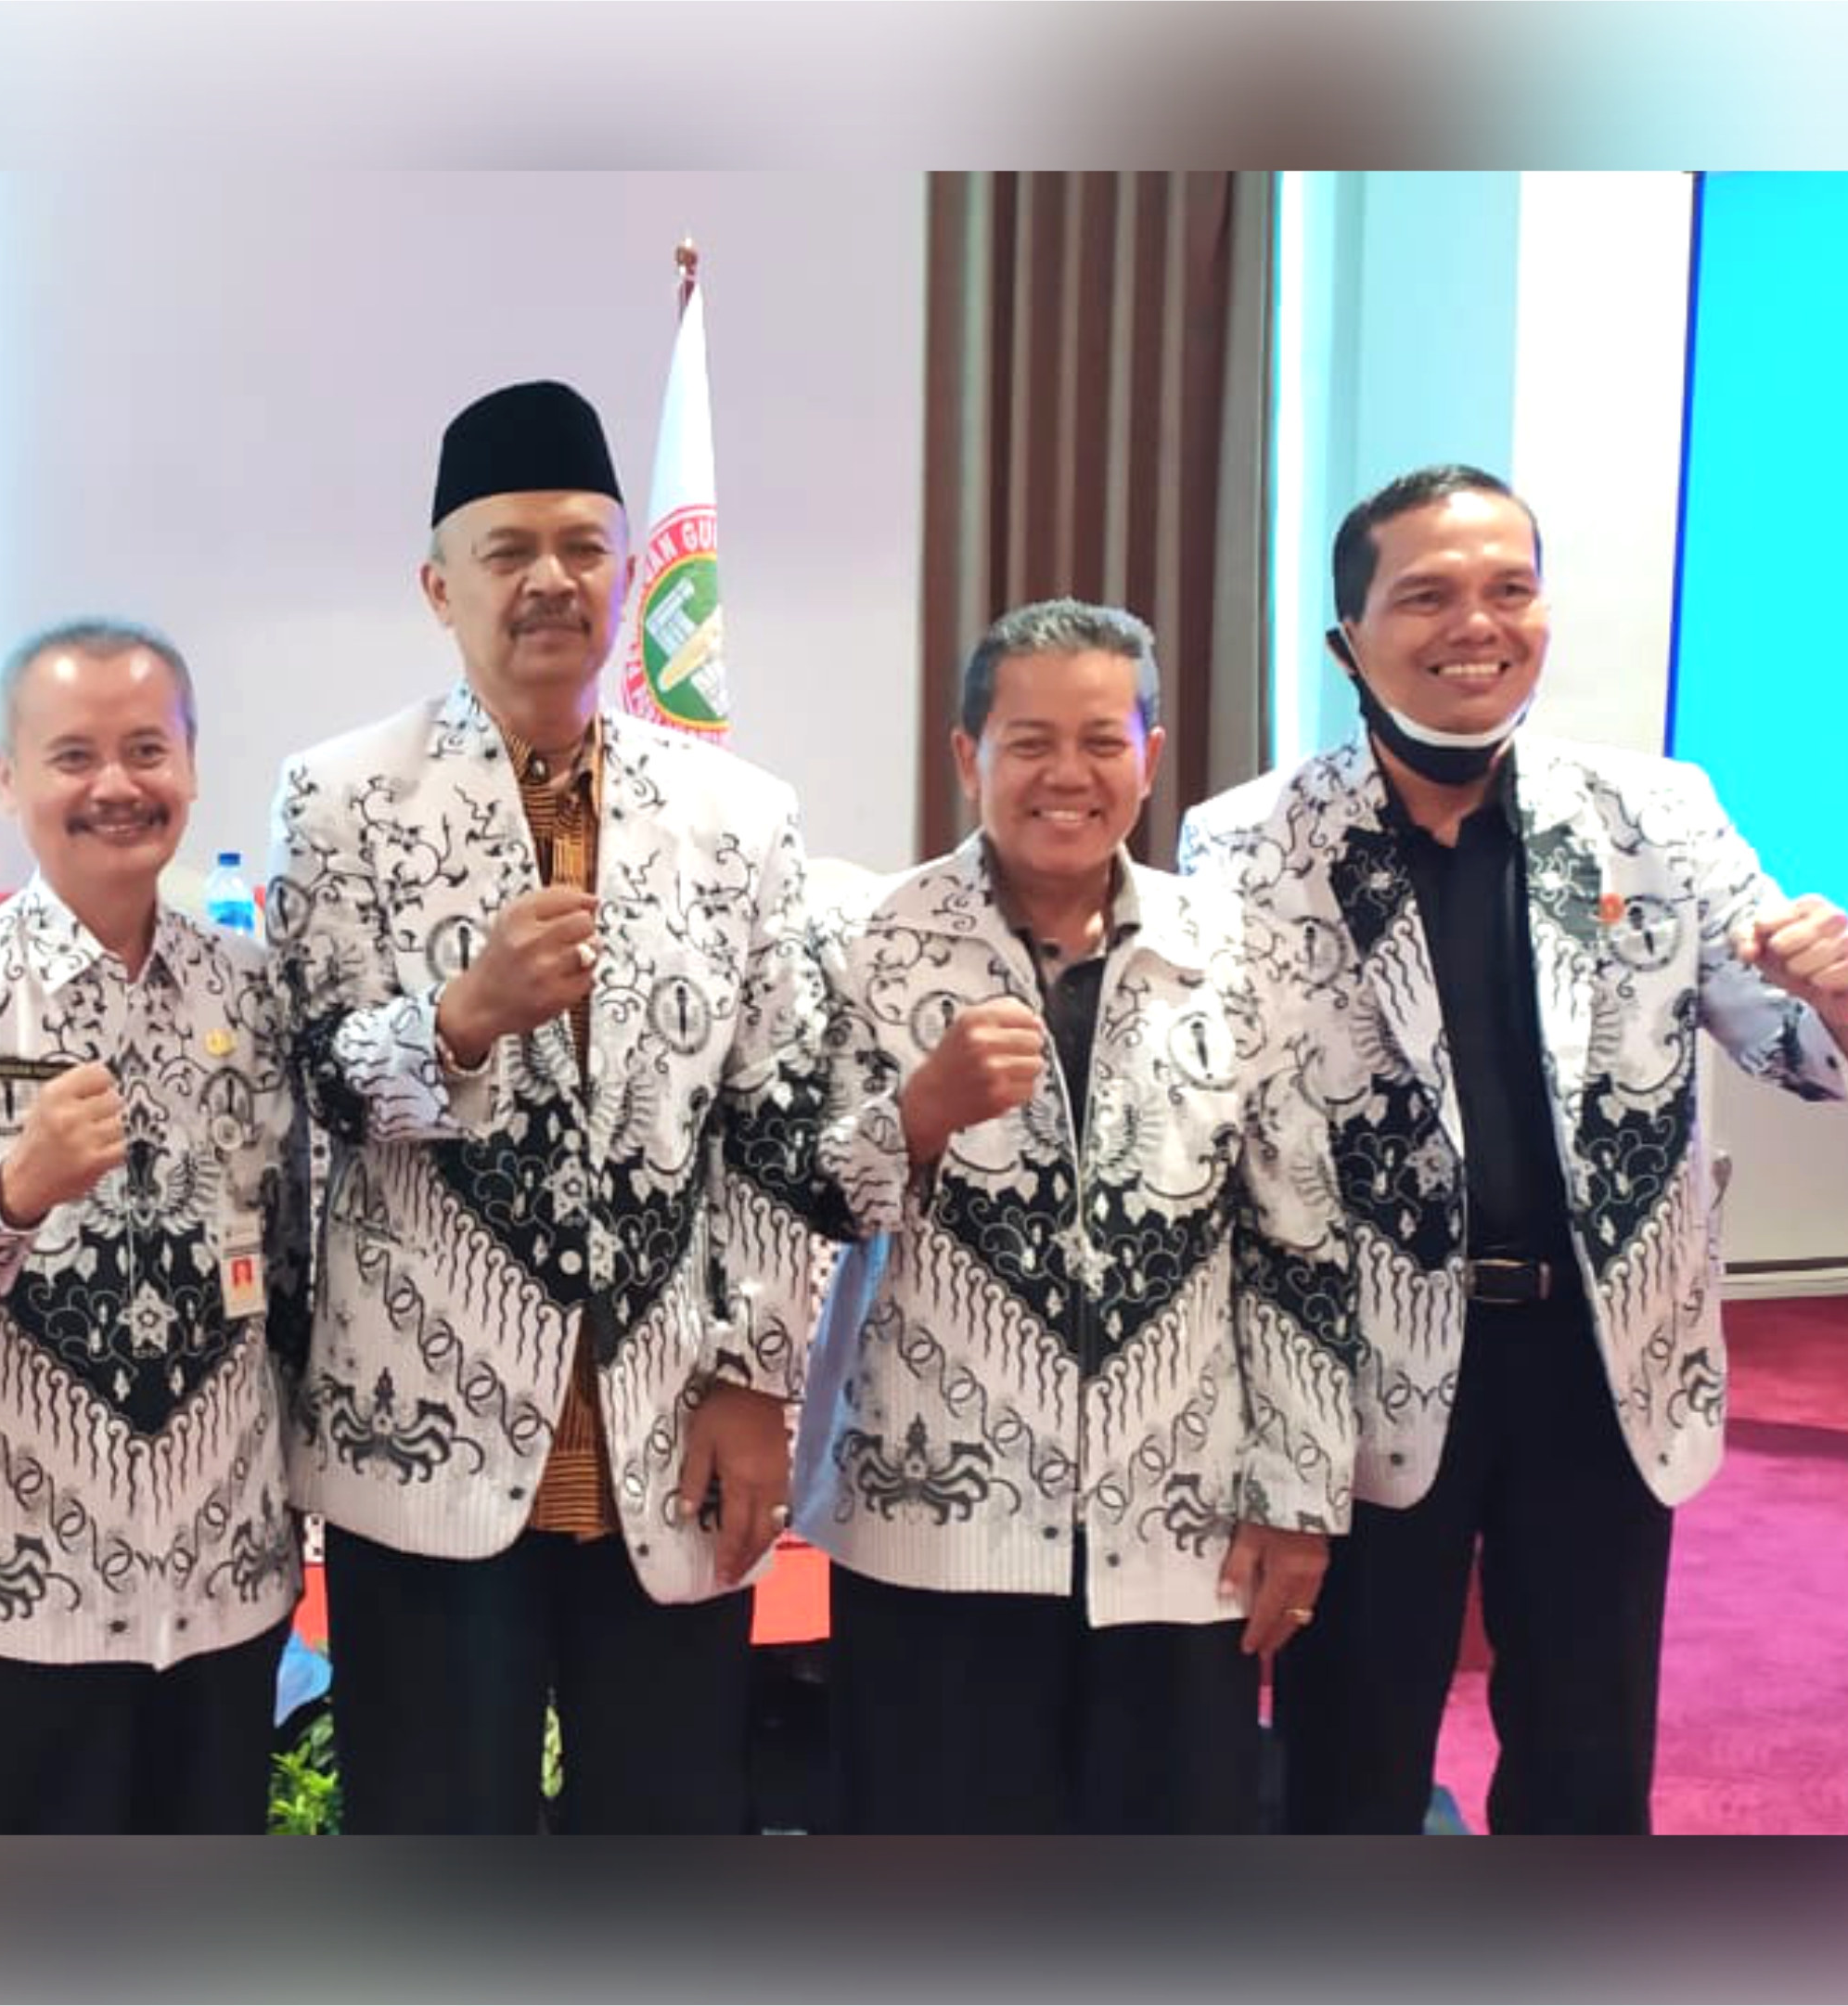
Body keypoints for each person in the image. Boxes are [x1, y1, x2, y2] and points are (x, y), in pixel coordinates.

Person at [1182, 466, 1848, 1833]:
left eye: (1510, 589)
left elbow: (1794, 1046)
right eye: (1428, 594)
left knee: (1586, 1765)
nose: (1476, 625)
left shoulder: (1655, 812)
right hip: (1360, 1371)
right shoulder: (1249, 842)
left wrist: (1834, 996)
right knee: (1351, 1761)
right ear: (1347, 640)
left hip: (1604, 1362)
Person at [262, 379, 833, 1833]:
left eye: (583, 547)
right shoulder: (338, 800)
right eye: (508, 550)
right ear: (438, 585)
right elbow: (312, 1084)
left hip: (674, 1435)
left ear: (629, 572)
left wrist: (758, 1378)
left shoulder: (741, 816)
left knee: (664, 1843)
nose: (550, 581)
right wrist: (459, 1019)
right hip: (423, 1437)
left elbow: (775, 1121)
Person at [781, 598, 1355, 1833]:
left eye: (1102, 741)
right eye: (1029, 741)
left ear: (1151, 758)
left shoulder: (1241, 952)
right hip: (931, 1523)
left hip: (1181, 1529)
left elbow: (1299, 1243)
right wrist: (916, 1115)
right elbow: (794, 1200)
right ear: (967, 755)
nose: (1067, 775)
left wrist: (1299, 1495)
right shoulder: (863, 944)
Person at [0, 617, 305, 1833]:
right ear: (8, 780)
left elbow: (291, 1268)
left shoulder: (253, 990)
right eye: (72, 756)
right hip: (12, 1579)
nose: (115, 785)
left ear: (192, 765)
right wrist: (12, 1192)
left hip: (222, 1573)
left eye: (146, 749)